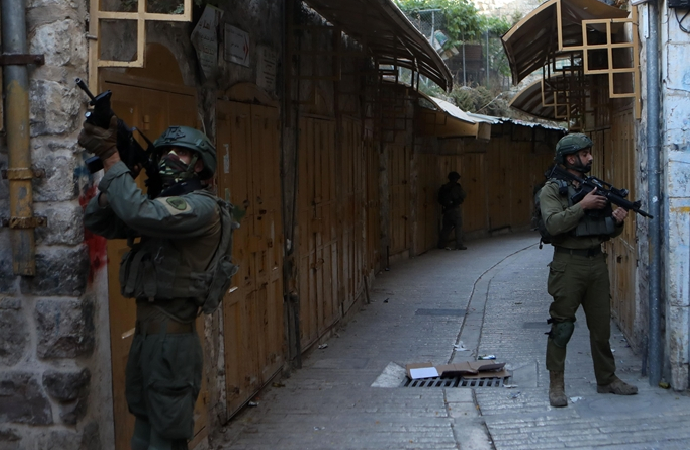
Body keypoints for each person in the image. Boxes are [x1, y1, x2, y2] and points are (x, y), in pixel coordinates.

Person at [81, 117, 222, 450]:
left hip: (172, 343)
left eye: (181, 153)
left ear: (199, 165)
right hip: (147, 339)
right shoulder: (160, 205)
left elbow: (139, 213)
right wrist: (122, 175)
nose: (170, 157)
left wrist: (112, 159)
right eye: (165, 152)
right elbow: (100, 220)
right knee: (143, 433)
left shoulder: (201, 207)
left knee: (165, 439)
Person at [540, 133, 638, 408]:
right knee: (562, 326)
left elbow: (603, 230)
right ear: (571, 159)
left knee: (601, 326)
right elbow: (553, 225)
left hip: (596, 262)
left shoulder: (592, 186)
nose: (590, 157)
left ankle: (606, 379)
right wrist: (582, 206)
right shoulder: (552, 190)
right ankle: (556, 385)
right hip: (568, 264)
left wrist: (616, 221)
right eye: (585, 154)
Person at [437, 171, 467, 250]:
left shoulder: (444, 187)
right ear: (456, 179)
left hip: (446, 209)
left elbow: (439, 199)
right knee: (458, 227)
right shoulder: (456, 187)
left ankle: (441, 244)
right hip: (455, 209)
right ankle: (459, 244)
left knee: (446, 228)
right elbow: (464, 195)